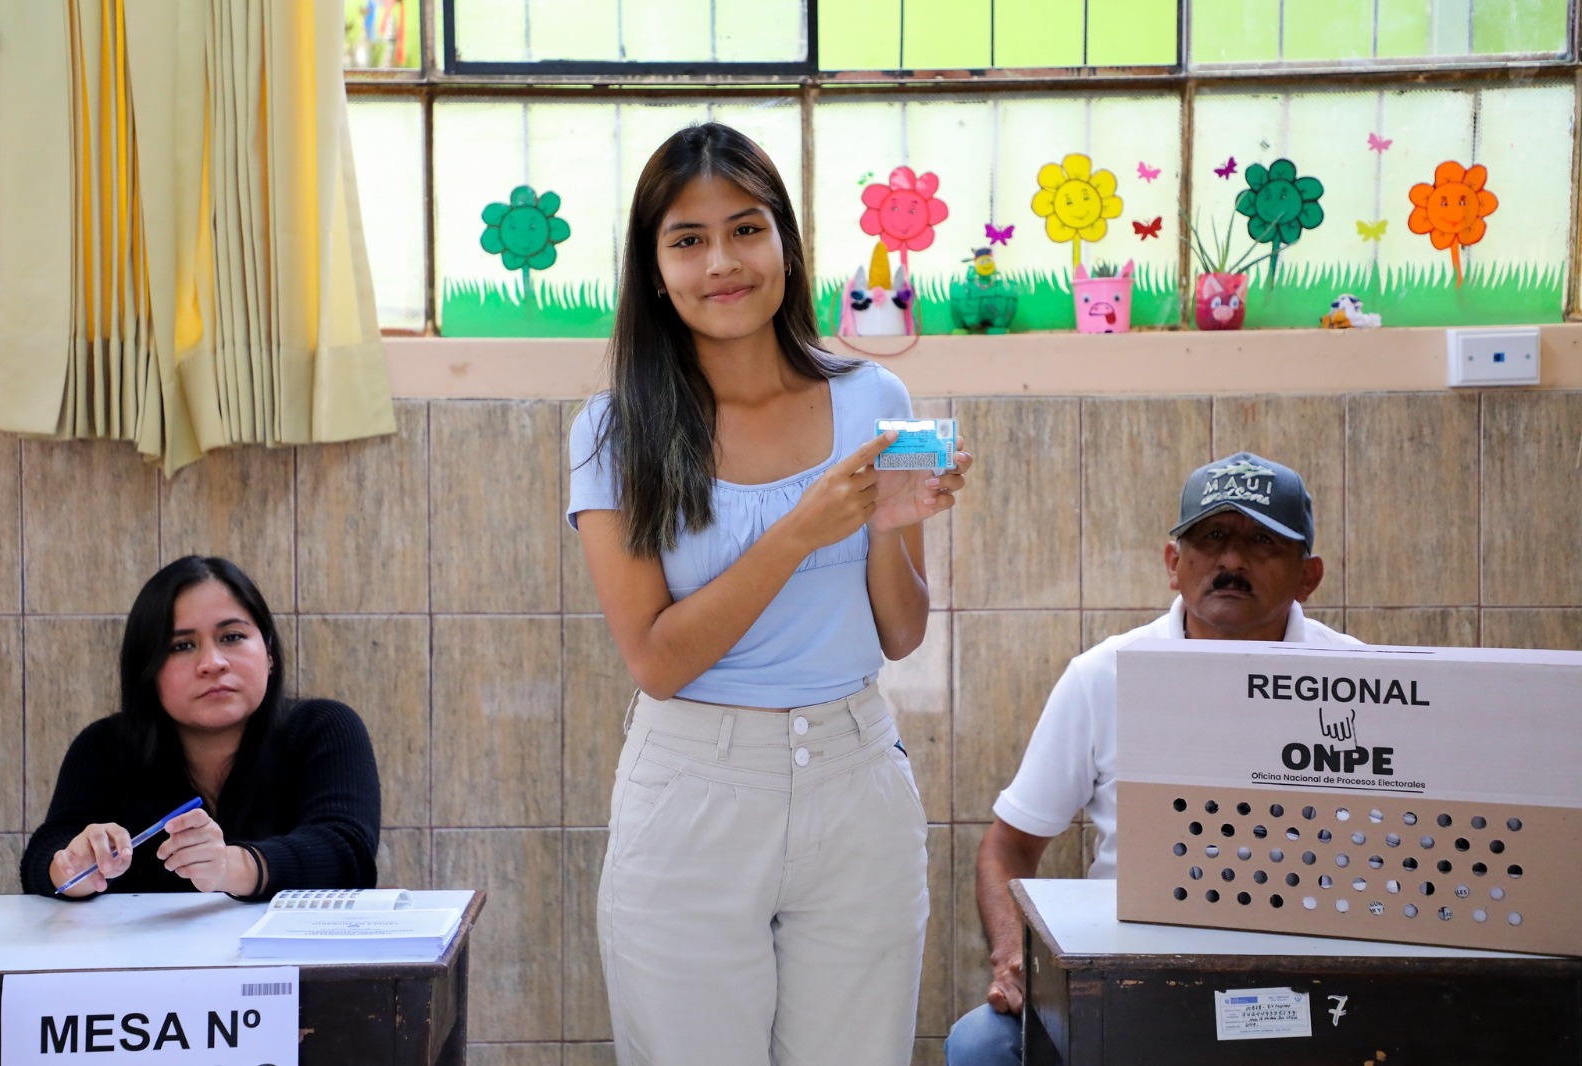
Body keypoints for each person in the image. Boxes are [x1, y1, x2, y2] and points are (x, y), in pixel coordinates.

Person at [568, 122, 971, 1066]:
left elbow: (902, 633)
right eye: (688, 240)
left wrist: (885, 521)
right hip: (692, 791)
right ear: (654, 267)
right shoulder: (613, 430)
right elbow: (657, 661)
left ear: (786, 241)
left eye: (747, 230)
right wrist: (802, 528)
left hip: (856, 774)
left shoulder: (875, 398)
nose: (723, 262)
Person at [946, 452, 1361, 1065]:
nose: (1231, 561)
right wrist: (1014, 956)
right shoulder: (1102, 676)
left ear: (1308, 576)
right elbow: (1008, 845)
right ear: (1174, 564)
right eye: (1211, 537)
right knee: (983, 1045)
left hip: (1305, 974)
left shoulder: (1362, 680)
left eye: (1263, 542)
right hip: (1127, 974)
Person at [22, 555, 381, 901]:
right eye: (182, 646)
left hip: (293, 960)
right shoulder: (103, 747)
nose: (212, 663)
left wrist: (232, 866)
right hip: (145, 962)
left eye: (232, 637)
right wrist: (70, 868)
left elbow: (346, 853)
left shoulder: (325, 728)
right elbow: (45, 854)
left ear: (269, 653)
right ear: (147, 670)